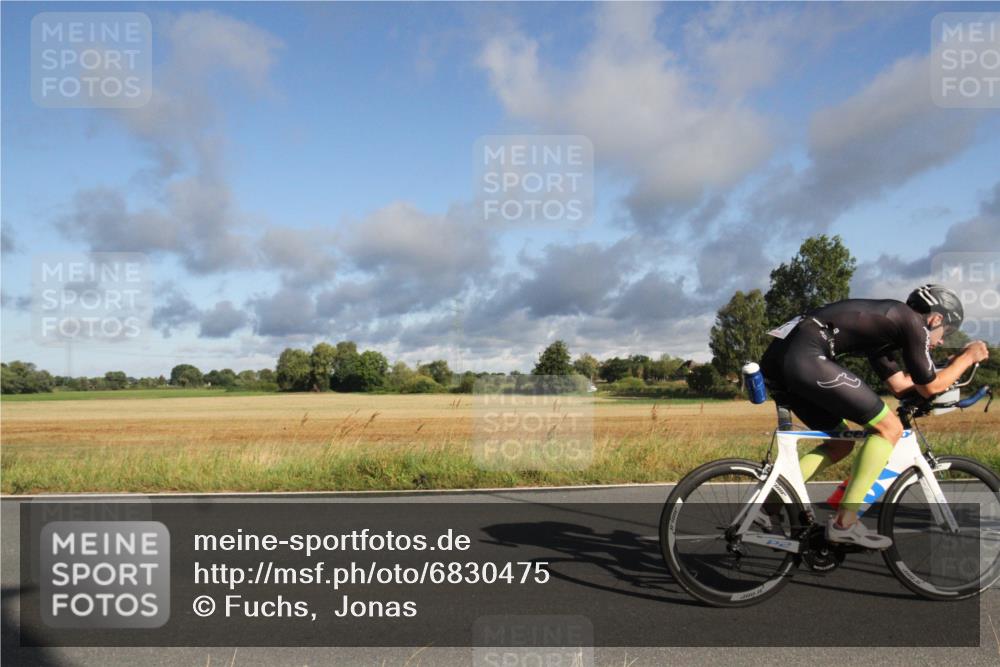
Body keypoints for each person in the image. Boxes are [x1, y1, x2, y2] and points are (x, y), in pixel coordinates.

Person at [759, 285, 990, 549]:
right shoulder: (910, 321)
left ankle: (766, 508)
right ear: (936, 318)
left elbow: (901, 386)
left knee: (840, 444)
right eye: (945, 333)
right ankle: (845, 523)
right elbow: (929, 386)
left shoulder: (886, 331)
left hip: (782, 359)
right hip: (806, 355)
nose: (940, 342)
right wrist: (967, 358)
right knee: (888, 429)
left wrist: (949, 368)